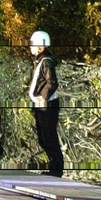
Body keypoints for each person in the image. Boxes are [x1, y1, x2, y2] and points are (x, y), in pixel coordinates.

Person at [28, 30, 64, 180]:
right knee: (44, 137)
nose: (30, 47)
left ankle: (56, 170)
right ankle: (54, 168)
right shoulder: (40, 61)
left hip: (47, 106)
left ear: (41, 47)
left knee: (49, 137)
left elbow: (52, 82)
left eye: (33, 45)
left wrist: (44, 98)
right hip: (42, 105)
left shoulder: (46, 62)